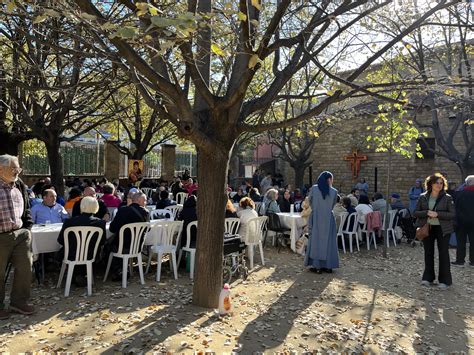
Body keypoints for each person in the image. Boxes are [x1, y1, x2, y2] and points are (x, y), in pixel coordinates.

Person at [0, 155, 35, 319]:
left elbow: (27, 206)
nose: (17, 171)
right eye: (14, 168)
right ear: (1, 169)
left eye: (18, 168)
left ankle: (18, 302)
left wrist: (27, 228)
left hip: (20, 234)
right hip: (1, 235)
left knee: (25, 268)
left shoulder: (19, 184)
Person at [414, 173, 455, 289]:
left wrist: (438, 214)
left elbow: (452, 214)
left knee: (443, 254)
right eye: (436, 183)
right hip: (428, 228)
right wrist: (426, 212)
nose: (439, 185)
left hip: (443, 229)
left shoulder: (448, 198)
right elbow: (416, 212)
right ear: (430, 184)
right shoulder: (423, 197)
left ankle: (445, 281)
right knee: (428, 253)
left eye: (441, 183)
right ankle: (428, 278)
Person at [57, 196, 106, 287]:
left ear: (81, 206)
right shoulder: (100, 223)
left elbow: (60, 240)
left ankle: (76, 275)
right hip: (91, 255)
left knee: (67, 251)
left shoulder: (69, 222)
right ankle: (81, 275)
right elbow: (102, 242)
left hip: (71, 255)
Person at [305, 171, 339, 273]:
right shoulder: (334, 191)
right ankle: (328, 266)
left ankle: (317, 266)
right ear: (329, 179)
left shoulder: (314, 189)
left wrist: (316, 208)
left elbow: (309, 201)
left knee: (316, 241)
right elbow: (333, 205)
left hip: (317, 217)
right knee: (329, 242)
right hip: (328, 218)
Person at [452, 175, 474, 266]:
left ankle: (460, 260)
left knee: (461, 242)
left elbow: (456, 208)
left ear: (466, 183)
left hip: (461, 221)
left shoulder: (460, 193)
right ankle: (473, 261)